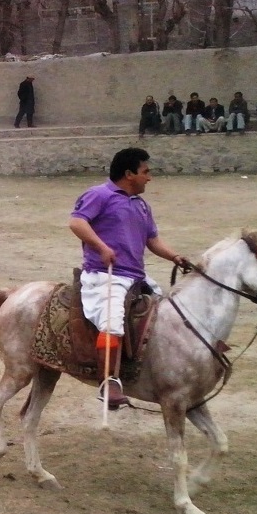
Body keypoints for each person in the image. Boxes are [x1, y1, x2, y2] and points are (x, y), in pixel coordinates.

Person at [69, 147, 189, 409]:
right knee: (111, 322)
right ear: (129, 174)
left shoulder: (141, 205)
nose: (149, 177)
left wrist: (175, 257)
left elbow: (152, 240)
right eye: (145, 172)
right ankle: (108, 382)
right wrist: (102, 247)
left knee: (167, 314)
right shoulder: (99, 194)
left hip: (136, 275)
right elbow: (77, 223)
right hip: (104, 275)